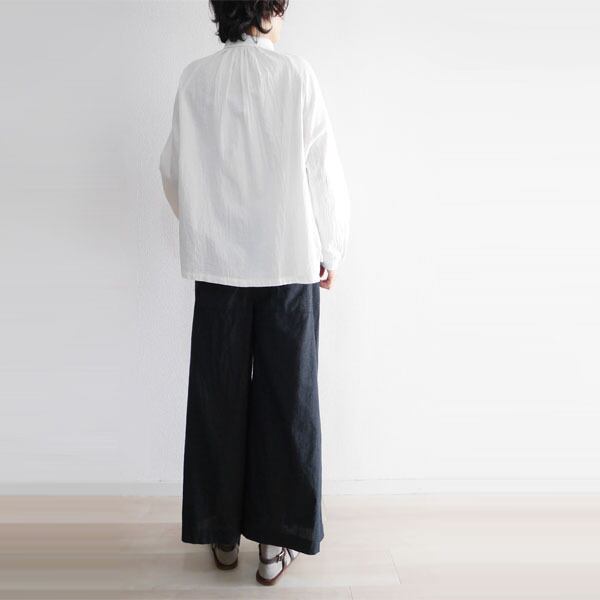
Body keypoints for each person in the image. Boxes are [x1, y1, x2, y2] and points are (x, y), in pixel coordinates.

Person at [158, 0, 350, 586]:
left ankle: (220, 533)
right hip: (288, 261)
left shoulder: (195, 78)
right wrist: (333, 248)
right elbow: (322, 169)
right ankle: (274, 544)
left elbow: (172, 171)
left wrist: (205, 225)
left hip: (219, 265)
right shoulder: (296, 75)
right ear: (269, 9)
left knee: (217, 396)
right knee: (287, 401)